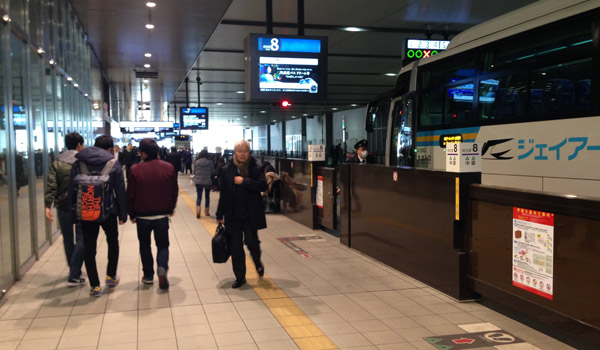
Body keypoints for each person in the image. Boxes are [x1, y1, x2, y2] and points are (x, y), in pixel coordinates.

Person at [69, 135, 127, 297]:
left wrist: (74, 214)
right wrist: (123, 214)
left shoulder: (79, 162)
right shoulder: (113, 163)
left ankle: (95, 286)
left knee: (89, 248)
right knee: (112, 242)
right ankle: (110, 276)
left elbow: (72, 190)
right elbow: (120, 191)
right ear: (110, 148)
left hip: (87, 210)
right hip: (109, 211)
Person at [127, 138, 178, 290]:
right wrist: (171, 207)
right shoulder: (168, 167)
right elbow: (174, 190)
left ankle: (148, 275)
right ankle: (162, 267)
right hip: (162, 214)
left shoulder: (135, 169)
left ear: (142, 153)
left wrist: (131, 213)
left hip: (142, 214)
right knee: (162, 245)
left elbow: (130, 193)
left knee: (145, 245)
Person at [216, 140, 267, 288]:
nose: (242, 154)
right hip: (233, 216)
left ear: (249, 153)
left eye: (245, 151)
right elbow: (223, 194)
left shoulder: (256, 168)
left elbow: (263, 185)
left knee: (252, 243)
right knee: (235, 247)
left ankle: (257, 262)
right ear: (234, 152)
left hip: (250, 215)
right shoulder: (227, 170)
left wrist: (245, 182)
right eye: (239, 151)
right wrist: (219, 215)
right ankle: (240, 276)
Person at [44, 132, 86, 287]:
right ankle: (74, 272)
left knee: (68, 239)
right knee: (82, 238)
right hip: (81, 204)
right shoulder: (83, 160)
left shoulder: (57, 162)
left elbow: (51, 185)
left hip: (63, 205)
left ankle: (73, 270)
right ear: (79, 145)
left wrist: (47, 205)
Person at [193, 149, 215, 218]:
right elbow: (212, 172)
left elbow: (194, 172)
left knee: (199, 197)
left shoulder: (196, 162)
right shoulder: (210, 162)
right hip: (207, 181)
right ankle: (206, 211)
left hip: (198, 181)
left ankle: (198, 211)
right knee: (207, 196)